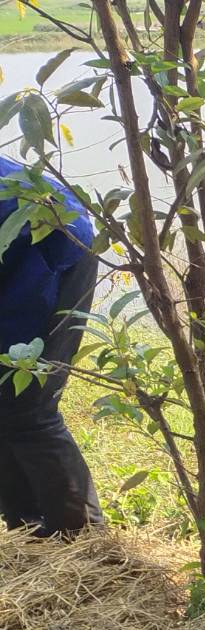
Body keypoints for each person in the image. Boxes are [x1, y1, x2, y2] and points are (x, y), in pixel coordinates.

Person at [0, 155, 104, 537]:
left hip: (55, 252)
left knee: (28, 405)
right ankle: (26, 529)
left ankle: (82, 538)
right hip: (16, 258)